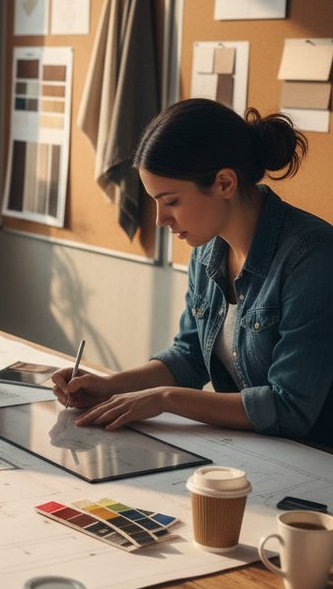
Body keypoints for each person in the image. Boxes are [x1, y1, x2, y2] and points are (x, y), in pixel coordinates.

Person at [52, 98, 333, 450]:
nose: (160, 220)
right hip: (258, 451)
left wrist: (164, 399)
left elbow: (289, 408)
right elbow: (190, 356)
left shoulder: (312, 256)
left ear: (224, 183)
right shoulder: (206, 248)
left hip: (315, 464)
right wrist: (110, 386)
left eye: (171, 201)